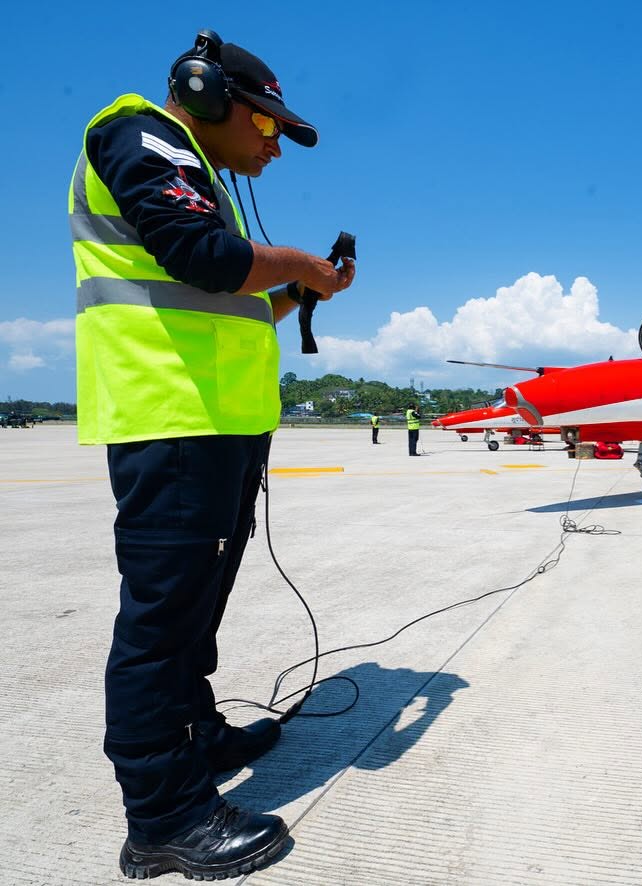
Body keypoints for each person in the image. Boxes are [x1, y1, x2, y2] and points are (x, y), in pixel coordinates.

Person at [70, 30, 355, 879]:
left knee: (194, 613)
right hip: (172, 421)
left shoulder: (193, 174)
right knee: (161, 624)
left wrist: (289, 292)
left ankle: (196, 736)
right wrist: (299, 261)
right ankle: (162, 817)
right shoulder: (141, 136)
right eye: (266, 125)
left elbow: (222, 301)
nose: (272, 144)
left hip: (216, 423)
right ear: (205, 96)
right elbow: (201, 258)